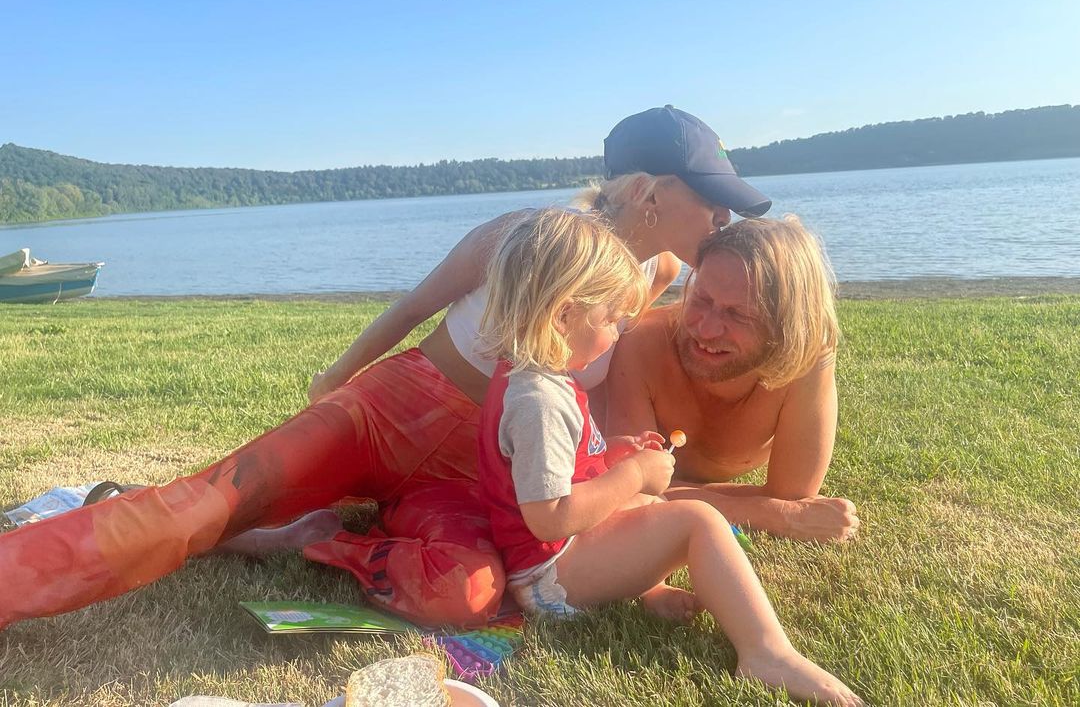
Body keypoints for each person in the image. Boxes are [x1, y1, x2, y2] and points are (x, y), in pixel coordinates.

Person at [0, 105, 771, 632]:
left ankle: (313, 536)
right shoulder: (524, 235)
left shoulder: (658, 272)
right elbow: (409, 311)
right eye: (713, 199)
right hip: (387, 412)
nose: (724, 217)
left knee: (469, 593)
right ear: (651, 193)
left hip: (474, 470)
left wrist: (638, 556)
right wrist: (333, 384)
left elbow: (578, 425)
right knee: (207, 505)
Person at [476, 208, 863, 706]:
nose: (617, 333)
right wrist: (634, 474)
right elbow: (551, 516)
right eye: (610, 319)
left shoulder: (539, 380)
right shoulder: (539, 401)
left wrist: (615, 457)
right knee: (695, 521)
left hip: (553, 559)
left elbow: (562, 470)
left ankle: (646, 590)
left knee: (650, 506)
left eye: (738, 314)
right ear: (564, 316)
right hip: (551, 573)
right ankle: (766, 652)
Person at [605, 215, 860, 543]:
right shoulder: (641, 343)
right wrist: (772, 514)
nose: (706, 329)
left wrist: (777, 504)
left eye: (738, 314)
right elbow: (630, 491)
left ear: (786, 325)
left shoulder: (806, 358)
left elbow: (793, 493)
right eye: (701, 299)